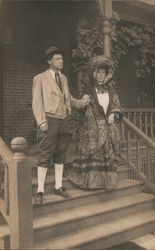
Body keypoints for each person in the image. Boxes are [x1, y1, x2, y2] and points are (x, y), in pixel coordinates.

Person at [32, 46, 90, 205]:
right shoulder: (40, 78)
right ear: (49, 61)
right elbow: (37, 102)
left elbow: (68, 98)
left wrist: (81, 102)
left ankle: (58, 187)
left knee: (61, 153)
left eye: (62, 59)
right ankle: (40, 190)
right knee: (45, 154)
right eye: (57, 59)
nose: (61, 61)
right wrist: (41, 121)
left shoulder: (63, 78)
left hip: (64, 120)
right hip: (49, 120)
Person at [65, 55, 122, 190]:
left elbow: (116, 104)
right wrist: (88, 109)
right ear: (94, 74)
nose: (101, 76)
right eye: (99, 73)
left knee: (107, 155)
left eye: (104, 73)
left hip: (107, 128)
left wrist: (113, 114)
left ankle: (107, 183)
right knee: (94, 154)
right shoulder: (88, 91)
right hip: (92, 129)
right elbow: (82, 110)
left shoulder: (111, 90)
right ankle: (93, 183)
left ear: (107, 74)